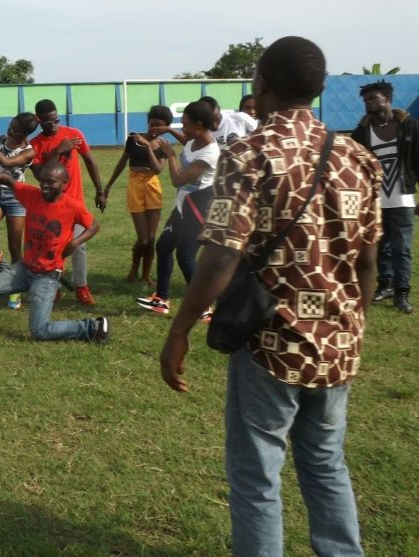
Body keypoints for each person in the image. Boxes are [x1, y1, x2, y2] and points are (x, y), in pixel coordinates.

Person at [160, 36, 382, 556]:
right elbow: (368, 264)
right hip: (338, 343)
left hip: (270, 343)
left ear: (259, 86)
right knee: (326, 463)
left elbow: (219, 257)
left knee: (257, 471)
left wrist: (178, 332)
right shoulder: (357, 157)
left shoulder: (249, 154)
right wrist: (352, 327)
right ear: (321, 88)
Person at [0, 162, 109, 343]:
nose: (44, 185)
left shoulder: (72, 206)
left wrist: (75, 242)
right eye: (43, 180)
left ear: (64, 183)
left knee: (39, 330)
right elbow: (12, 182)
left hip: (47, 276)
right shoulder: (31, 194)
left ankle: (92, 327)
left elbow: (94, 225)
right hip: (24, 268)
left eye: (51, 182)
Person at [136, 101, 219, 318]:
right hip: (184, 205)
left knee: (186, 255)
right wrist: (169, 130)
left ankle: (204, 308)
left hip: (198, 206)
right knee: (164, 247)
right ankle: (161, 300)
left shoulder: (210, 154)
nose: (183, 128)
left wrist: (171, 155)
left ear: (199, 125)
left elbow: (178, 180)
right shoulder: (194, 140)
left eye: (185, 125)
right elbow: (187, 142)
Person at [351, 79, 419, 314]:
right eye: (366, 100)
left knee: (402, 248)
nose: (368, 103)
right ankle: (385, 285)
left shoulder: (409, 126)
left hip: (402, 198)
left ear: (387, 99)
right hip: (375, 200)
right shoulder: (362, 131)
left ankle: (402, 293)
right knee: (379, 247)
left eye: (373, 98)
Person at [29, 99, 104, 305]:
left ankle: (82, 287)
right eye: (47, 122)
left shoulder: (74, 134)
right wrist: (58, 151)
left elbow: (90, 161)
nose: (52, 125)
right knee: (52, 249)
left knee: (79, 247)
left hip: (75, 203)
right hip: (52, 208)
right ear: (38, 120)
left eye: (55, 120)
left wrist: (100, 191)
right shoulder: (34, 145)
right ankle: (54, 287)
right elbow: (41, 175)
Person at [103, 105, 173, 286]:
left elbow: (157, 169)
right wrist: (109, 185)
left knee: (151, 238)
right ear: (148, 122)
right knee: (143, 238)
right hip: (135, 185)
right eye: (152, 124)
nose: (154, 129)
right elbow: (121, 162)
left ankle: (146, 275)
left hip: (152, 186)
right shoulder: (133, 138)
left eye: (159, 126)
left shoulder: (164, 145)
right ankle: (133, 269)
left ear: (166, 127)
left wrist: (148, 145)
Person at [0, 112, 38, 309]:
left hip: (16, 198)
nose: (10, 130)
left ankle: (15, 291)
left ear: (25, 132)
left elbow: (5, 163)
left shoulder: (29, 151)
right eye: (11, 124)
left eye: (16, 128)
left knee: (15, 247)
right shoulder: (3, 139)